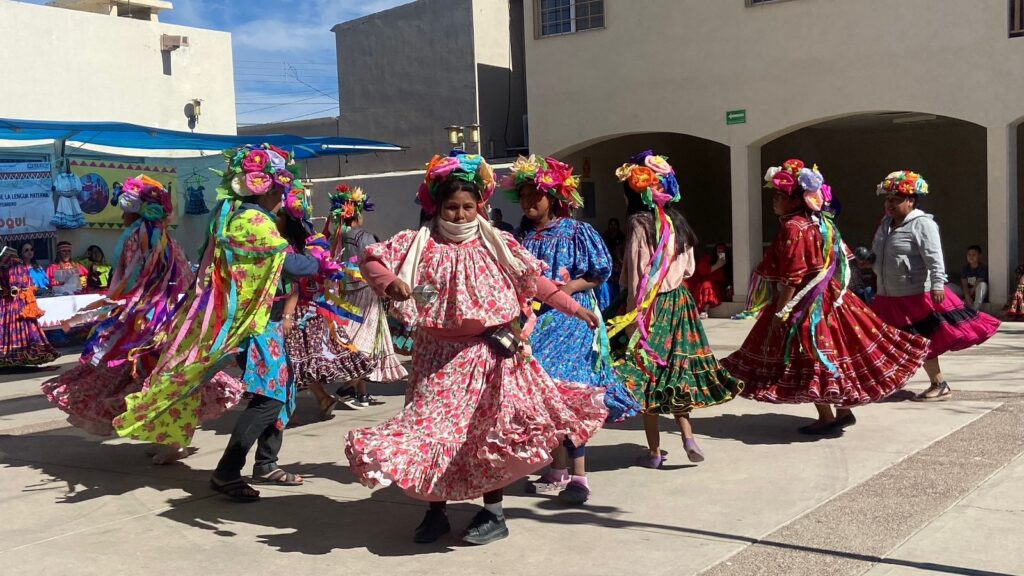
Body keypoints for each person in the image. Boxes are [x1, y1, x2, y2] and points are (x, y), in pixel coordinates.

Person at [345, 151, 607, 545]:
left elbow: (535, 282)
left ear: (480, 207)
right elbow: (371, 260)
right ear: (437, 206)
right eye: (452, 207)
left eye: (469, 207)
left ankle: (493, 513)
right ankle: (435, 511)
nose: (461, 215)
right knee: (430, 433)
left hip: (487, 355)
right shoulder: (419, 243)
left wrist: (574, 309)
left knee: (485, 436)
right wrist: (390, 283)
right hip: (435, 355)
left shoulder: (497, 243)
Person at [113, 144, 320, 499]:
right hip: (250, 323)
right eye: (281, 189)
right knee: (269, 397)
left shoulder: (251, 218)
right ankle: (227, 472)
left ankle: (267, 462)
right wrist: (321, 261)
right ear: (268, 188)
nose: (285, 196)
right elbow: (290, 264)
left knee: (281, 391)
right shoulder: (251, 220)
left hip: (264, 320)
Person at [723, 160, 929, 434]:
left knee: (810, 357)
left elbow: (793, 277)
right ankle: (842, 410)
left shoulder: (794, 227)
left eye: (779, 196)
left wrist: (781, 312)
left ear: (796, 199)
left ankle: (826, 417)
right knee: (836, 353)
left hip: (806, 302)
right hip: (832, 299)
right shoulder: (820, 222)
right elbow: (841, 256)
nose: (774, 201)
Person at [504, 155, 641, 504]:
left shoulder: (578, 232)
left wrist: (568, 291)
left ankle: (579, 477)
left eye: (536, 196)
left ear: (554, 198)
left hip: (570, 322)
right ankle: (556, 468)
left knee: (567, 391)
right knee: (541, 395)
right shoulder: (517, 237)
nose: (529, 203)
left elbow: (600, 270)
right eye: (523, 196)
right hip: (534, 324)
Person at [608, 151, 742, 466]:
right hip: (680, 303)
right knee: (676, 371)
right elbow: (691, 268)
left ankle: (654, 452)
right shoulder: (677, 221)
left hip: (651, 305)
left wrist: (633, 317)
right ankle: (687, 435)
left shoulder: (639, 224)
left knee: (648, 375)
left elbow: (640, 273)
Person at [42, 175, 198, 437]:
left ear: (134, 213)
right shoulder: (168, 240)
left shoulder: (138, 239)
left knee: (138, 370)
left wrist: (117, 305)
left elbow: (131, 282)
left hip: (145, 318)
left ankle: (169, 437)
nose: (121, 217)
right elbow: (182, 281)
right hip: (166, 316)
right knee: (163, 373)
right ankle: (170, 436)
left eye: (124, 211)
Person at [870, 171, 1001, 401]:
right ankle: (884, 382)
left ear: (911, 201)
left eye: (895, 199)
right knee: (885, 341)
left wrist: (938, 284)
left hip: (914, 296)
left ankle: (939, 383)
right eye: (887, 199)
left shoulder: (922, 224)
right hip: (886, 295)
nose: (889, 204)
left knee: (921, 342)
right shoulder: (885, 225)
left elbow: (934, 256)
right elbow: (878, 253)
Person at [277, 186, 372, 421]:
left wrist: (288, 315)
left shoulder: (295, 247)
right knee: (304, 362)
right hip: (314, 310)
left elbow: (296, 285)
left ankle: (292, 408)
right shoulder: (313, 243)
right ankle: (322, 398)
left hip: (301, 312)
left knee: (295, 362)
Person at [326, 183, 407, 409]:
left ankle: (361, 392)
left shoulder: (336, 237)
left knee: (355, 338)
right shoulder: (364, 236)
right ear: (356, 213)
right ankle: (348, 386)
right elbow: (375, 264)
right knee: (366, 341)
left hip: (345, 294)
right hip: (366, 294)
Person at [1, 245, 58, 368]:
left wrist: (13, 288)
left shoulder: (11, 260)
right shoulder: (9, 261)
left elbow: (19, 283)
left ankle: (16, 356)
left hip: (13, 302)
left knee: (17, 328)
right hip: (9, 302)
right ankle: (13, 357)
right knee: (12, 329)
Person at [688, 242, 732, 319]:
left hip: (720, 288)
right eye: (719, 251)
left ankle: (704, 310)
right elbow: (701, 270)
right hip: (705, 286)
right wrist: (717, 265)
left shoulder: (729, 263)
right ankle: (704, 311)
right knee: (706, 285)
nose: (720, 253)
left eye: (722, 252)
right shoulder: (709, 260)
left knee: (708, 285)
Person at [960, 245, 989, 311]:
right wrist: (967, 296)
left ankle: (975, 310)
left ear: (979, 256)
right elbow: (964, 285)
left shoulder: (983, 268)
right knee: (950, 287)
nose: (971, 257)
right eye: (969, 255)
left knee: (982, 285)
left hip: (977, 291)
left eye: (974, 255)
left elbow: (978, 283)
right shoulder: (964, 268)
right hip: (968, 291)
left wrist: (968, 297)